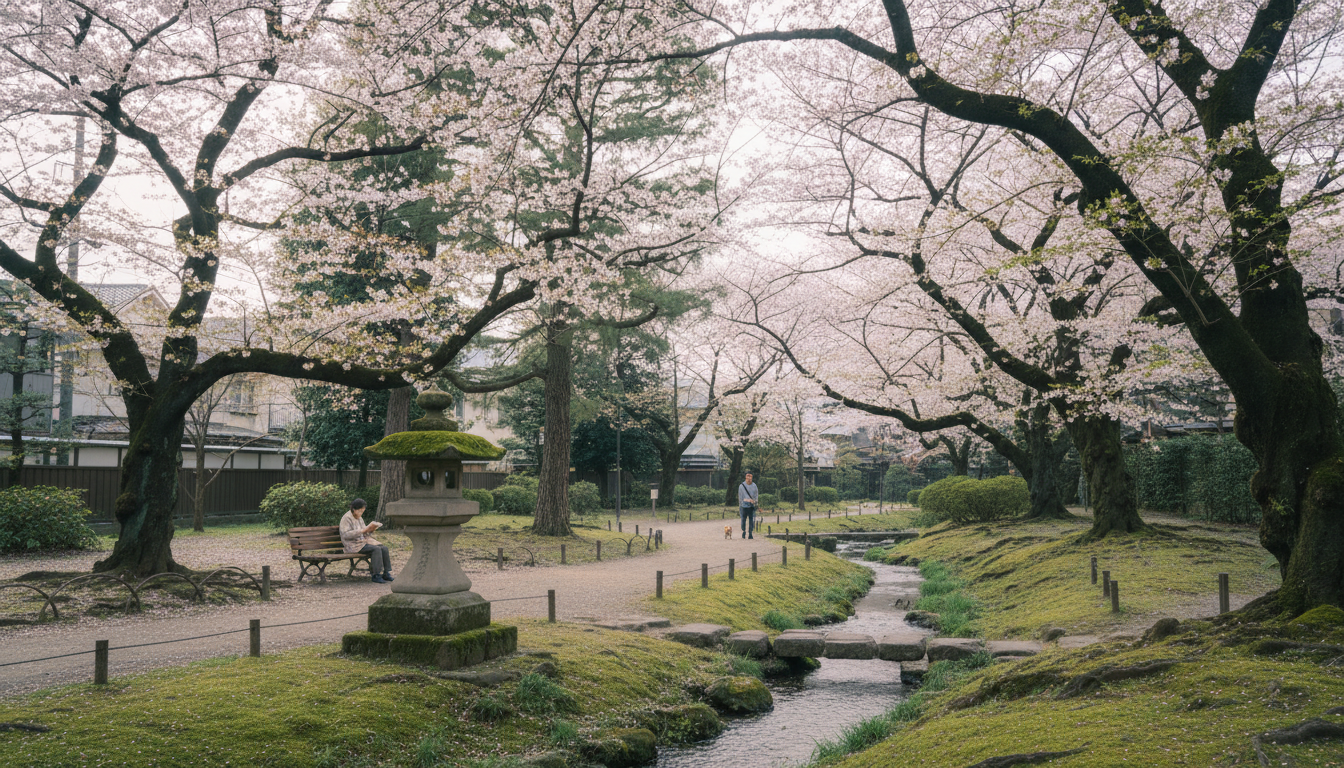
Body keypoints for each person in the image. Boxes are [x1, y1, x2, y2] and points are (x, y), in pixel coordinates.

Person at [340, 498, 394, 583]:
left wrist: (370, 530)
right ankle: (376, 575)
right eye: (360, 511)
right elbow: (345, 535)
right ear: (354, 509)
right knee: (376, 549)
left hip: (363, 542)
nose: (361, 513)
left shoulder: (359, 518)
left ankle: (386, 573)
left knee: (384, 548)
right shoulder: (346, 518)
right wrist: (361, 531)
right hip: (353, 545)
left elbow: (364, 531)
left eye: (362, 511)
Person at [738, 472, 759, 539]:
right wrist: (747, 500)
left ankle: (750, 533)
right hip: (743, 506)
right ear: (745, 478)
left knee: (751, 520)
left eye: (750, 477)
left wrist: (755, 502)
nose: (749, 479)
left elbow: (756, 496)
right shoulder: (741, 486)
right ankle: (743, 531)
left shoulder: (754, 486)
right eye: (748, 477)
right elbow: (740, 498)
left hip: (751, 506)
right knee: (743, 520)